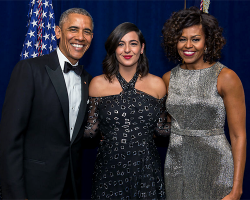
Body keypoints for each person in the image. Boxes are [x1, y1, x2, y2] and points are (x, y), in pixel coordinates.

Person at [0, 8, 93, 200]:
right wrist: (15, 194)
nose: (80, 37)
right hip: (33, 189)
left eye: (87, 31)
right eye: (73, 29)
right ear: (58, 32)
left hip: (71, 189)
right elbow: (10, 139)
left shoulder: (88, 80)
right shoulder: (29, 70)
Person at [161, 7, 246, 200]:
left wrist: (236, 189)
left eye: (196, 39)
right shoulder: (168, 79)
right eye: (182, 39)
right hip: (176, 168)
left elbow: (238, 135)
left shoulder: (226, 77)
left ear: (207, 41)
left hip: (216, 168)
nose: (188, 45)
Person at [84, 22, 170, 199]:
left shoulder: (157, 84)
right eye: (121, 44)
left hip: (146, 169)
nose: (127, 50)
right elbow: (90, 132)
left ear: (142, 48)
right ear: (114, 49)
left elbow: (162, 131)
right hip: (109, 169)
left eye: (133, 43)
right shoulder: (97, 84)